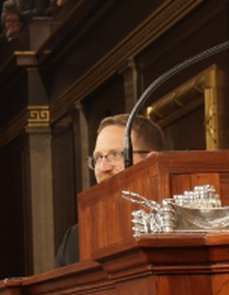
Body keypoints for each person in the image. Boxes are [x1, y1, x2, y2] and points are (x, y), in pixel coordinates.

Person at [56, 114, 166, 267]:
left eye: (116, 155)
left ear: (150, 160)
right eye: (98, 157)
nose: (103, 168)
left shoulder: (178, 223)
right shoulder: (76, 238)